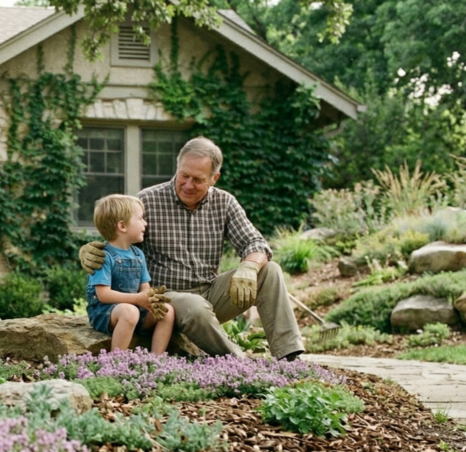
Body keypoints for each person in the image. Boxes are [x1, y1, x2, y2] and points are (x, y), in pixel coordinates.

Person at [79, 137, 304, 361]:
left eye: (197, 179)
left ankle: (289, 357)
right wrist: (89, 251)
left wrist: (250, 265)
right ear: (177, 167)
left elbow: (255, 242)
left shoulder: (224, 203)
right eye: (183, 175)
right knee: (193, 304)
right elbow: (118, 235)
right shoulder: (147, 200)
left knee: (270, 271)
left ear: (214, 178)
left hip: (211, 292)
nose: (187, 184)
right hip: (166, 300)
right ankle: (240, 362)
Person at [86, 194, 176, 354]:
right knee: (130, 312)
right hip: (105, 312)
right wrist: (137, 299)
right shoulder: (102, 256)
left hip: (134, 308)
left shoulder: (138, 254)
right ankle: (115, 362)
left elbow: (145, 288)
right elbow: (103, 295)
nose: (145, 223)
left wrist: (150, 300)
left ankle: (156, 360)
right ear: (122, 226)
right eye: (140, 218)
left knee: (166, 311)